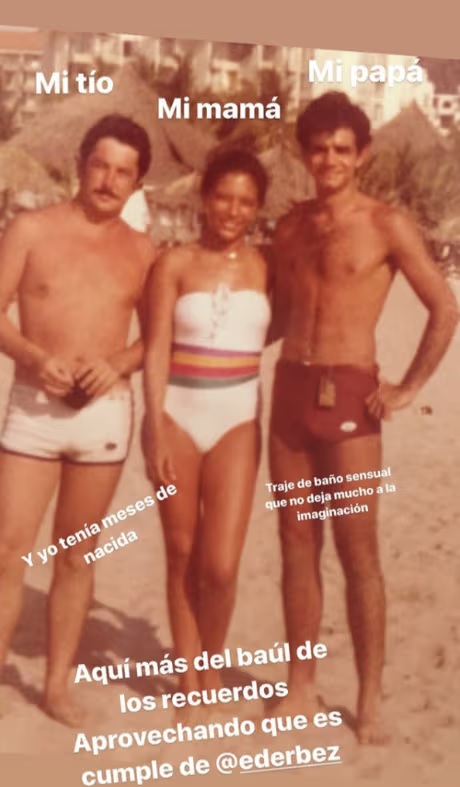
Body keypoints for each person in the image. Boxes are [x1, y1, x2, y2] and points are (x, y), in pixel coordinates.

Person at [269, 92, 458, 744]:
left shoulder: (386, 224)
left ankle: (369, 701)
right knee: (296, 542)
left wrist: (409, 386)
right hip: (290, 391)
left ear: (362, 154)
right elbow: (273, 317)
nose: (330, 160)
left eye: (342, 149)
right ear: (304, 153)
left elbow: (445, 308)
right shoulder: (290, 227)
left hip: (351, 395)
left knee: (358, 553)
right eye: (319, 149)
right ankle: (300, 687)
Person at [0, 114, 156, 726]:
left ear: (136, 182)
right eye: (101, 165)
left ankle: (57, 688)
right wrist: (35, 357)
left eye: (123, 172)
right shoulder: (31, 229)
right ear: (80, 164)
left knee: (75, 556)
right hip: (33, 410)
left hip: (103, 415)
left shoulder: (142, 251)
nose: (109, 181)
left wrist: (117, 363)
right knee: (8, 549)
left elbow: (157, 338)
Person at [142, 149, 271, 710]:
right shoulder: (173, 263)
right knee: (181, 551)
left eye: (246, 201)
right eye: (223, 197)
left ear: (258, 207)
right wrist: (152, 426)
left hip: (238, 420)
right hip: (177, 413)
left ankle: (211, 664)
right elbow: (155, 350)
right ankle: (188, 677)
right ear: (205, 197)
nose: (232, 210)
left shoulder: (267, 267)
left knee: (219, 565)